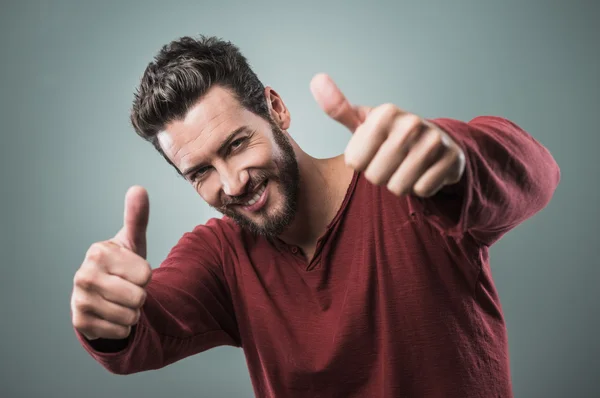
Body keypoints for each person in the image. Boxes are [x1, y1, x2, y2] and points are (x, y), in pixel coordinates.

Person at [71, 35, 560, 397]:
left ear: (276, 109)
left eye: (238, 144)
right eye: (201, 172)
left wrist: (458, 160)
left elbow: (535, 174)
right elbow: (145, 328)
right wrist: (105, 316)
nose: (234, 182)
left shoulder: (406, 185)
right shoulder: (222, 256)